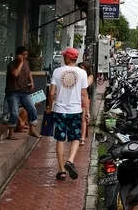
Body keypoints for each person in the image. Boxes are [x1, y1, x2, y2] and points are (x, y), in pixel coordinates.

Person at [46, 48, 89, 181]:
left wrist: (49, 106)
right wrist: (86, 111)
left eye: (65, 56)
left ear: (68, 58)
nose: (64, 57)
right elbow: (84, 94)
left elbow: (52, 92)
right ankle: (70, 160)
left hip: (59, 110)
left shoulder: (58, 71)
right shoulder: (82, 73)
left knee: (60, 139)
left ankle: (61, 171)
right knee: (75, 137)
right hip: (75, 110)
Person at [6, 46, 40, 140]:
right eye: (23, 55)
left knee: (32, 109)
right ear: (18, 55)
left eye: (26, 55)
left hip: (24, 91)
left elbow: (28, 72)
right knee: (14, 112)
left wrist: (31, 81)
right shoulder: (11, 65)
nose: (25, 57)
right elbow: (15, 74)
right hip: (13, 92)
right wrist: (20, 62)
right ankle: (11, 132)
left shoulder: (27, 63)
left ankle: (32, 129)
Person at [78, 62, 94, 146]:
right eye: (80, 68)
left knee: (83, 119)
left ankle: (82, 138)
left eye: (82, 68)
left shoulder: (90, 77)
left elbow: (86, 85)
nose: (81, 70)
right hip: (76, 98)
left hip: (84, 99)